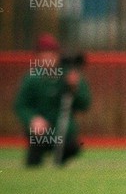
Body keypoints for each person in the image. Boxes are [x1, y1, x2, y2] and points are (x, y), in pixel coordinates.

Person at [14, 33, 91, 167]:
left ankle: (60, 166)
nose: (48, 57)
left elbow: (84, 104)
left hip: (64, 131)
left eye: (51, 53)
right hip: (40, 132)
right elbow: (21, 105)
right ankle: (33, 167)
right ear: (38, 56)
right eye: (44, 54)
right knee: (36, 146)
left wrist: (74, 88)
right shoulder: (32, 78)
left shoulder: (70, 74)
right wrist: (32, 119)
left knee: (73, 146)